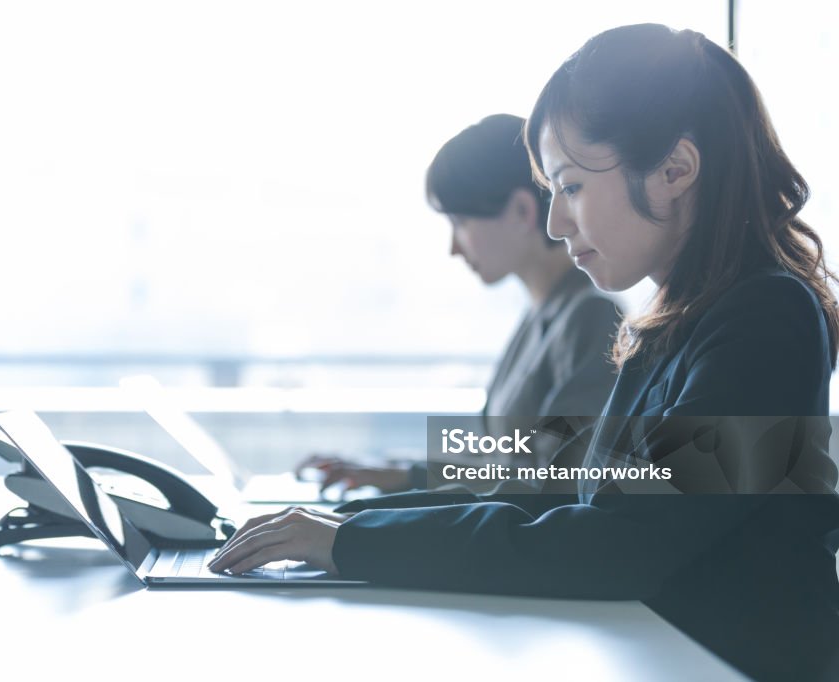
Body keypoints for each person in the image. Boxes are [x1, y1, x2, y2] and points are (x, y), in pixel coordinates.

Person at [210, 24, 839, 681]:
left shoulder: (766, 318)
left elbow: (614, 539)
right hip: (660, 653)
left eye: (570, 187)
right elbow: (565, 491)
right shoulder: (674, 326)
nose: (554, 223)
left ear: (675, 169)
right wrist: (342, 523)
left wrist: (350, 536)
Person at [298, 114, 619, 494]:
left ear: (521, 211)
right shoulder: (543, 315)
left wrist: (405, 483)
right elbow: (507, 463)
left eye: (460, 222)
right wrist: (399, 469)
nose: (454, 248)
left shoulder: (588, 319)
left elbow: (551, 482)